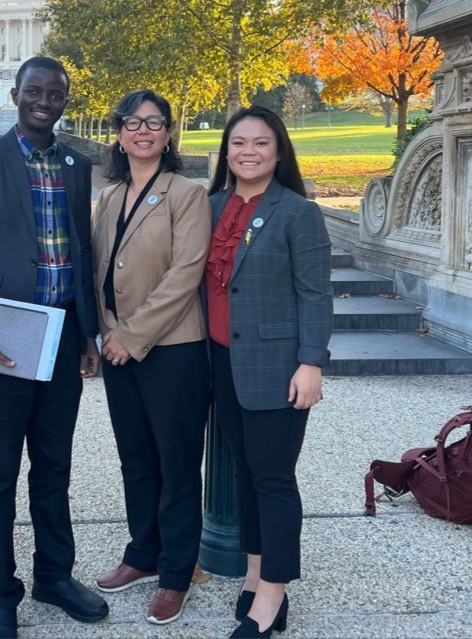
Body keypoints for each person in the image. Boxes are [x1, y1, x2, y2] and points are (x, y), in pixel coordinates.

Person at [0, 56, 107, 639]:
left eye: (55, 92)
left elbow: (82, 253)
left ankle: (54, 576)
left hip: (63, 337)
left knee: (54, 466)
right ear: (16, 94)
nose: (44, 99)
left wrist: (88, 333)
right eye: (34, 90)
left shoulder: (75, 163)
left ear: (66, 98)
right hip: (4, 339)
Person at [205, 106, 333, 639]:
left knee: (274, 480)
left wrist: (311, 363)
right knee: (241, 473)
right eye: (239, 143)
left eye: (261, 142)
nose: (249, 152)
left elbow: (316, 294)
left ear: (279, 151)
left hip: (277, 367)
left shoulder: (298, 212)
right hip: (219, 361)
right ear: (226, 151)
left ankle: (274, 596)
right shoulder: (211, 206)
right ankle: (256, 575)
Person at [92, 89, 211, 625]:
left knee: (177, 463)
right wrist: (104, 333)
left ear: (168, 134)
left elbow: (184, 274)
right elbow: (99, 271)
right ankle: (143, 553)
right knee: (136, 459)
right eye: (132, 123)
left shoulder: (187, 194)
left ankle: (176, 570)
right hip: (119, 349)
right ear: (118, 133)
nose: (143, 131)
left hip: (171, 349)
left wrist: (131, 334)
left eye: (154, 122)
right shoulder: (110, 196)